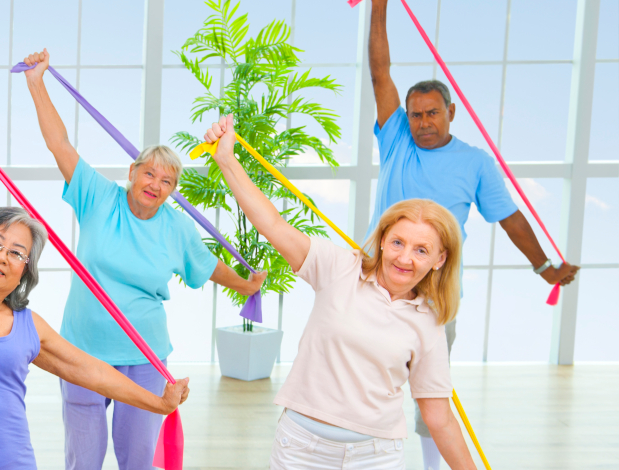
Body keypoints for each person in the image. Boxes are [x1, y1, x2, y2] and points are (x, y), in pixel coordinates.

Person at [0, 85, 189, 469]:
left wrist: (159, 403)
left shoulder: (28, 326)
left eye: (17, 253)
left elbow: (91, 371)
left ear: (23, 275)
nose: (2, 255)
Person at [19, 50, 265, 470]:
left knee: (137, 460)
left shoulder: (176, 228)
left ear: (172, 190)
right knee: (84, 459)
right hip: (83, 348)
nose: (156, 184)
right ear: (132, 172)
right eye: (149, 173)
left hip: (145, 353)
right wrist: (36, 83)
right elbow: (59, 143)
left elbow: (207, 267)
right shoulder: (98, 197)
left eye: (167, 180)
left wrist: (246, 285)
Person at [367, 2, 577, 465]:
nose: (423, 123)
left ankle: (429, 465)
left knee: (429, 389)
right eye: (416, 114)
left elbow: (510, 218)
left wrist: (543, 266)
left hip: (436, 292)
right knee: (365, 378)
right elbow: (380, 71)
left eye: (432, 113)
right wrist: (378, 8)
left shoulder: (475, 162)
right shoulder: (396, 135)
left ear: (451, 112)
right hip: (374, 280)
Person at [201, 115, 477, 469]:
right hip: (301, 449)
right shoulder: (338, 268)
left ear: (440, 260)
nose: (404, 258)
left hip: (375, 457)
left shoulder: (429, 322)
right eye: (397, 242)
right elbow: (271, 223)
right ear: (382, 240)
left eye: (421, 250)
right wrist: (226, 159)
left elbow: (439, 417)